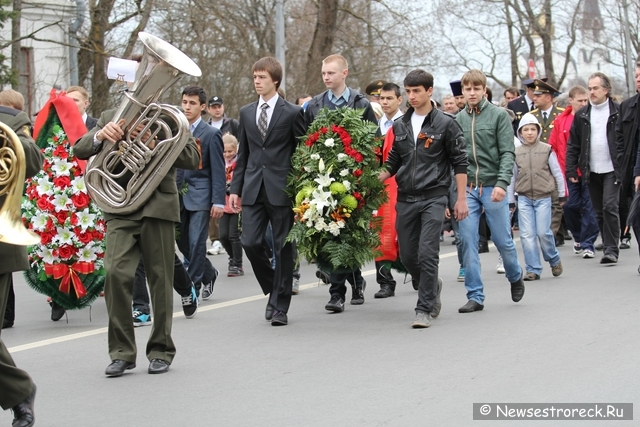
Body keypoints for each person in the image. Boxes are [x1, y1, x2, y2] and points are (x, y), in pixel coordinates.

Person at [74, 96, 200, 376]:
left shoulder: (170, 117)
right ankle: (122, 352)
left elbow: (193, 158)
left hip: (157, 207)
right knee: (115, 274)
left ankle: (161, 350)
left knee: (160, 280)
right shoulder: (111, 113)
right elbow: (79, 148)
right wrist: (99, 135)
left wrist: (161, 145)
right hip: (120, 206)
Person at [379, 69, 468, 328]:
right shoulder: (400, 125)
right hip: (406, 198)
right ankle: (432, 284)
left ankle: (424, 307)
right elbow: (393, 162)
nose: (411, 96)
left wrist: (460, 199)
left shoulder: (446, 123)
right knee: (407, 256)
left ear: (429, 91)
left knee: (428, 253)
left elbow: (460, 163)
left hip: (434, 196)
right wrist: (371, 181)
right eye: (408, 91)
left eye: (416, 91)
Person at [229, 57, 305, 326]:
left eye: (262, 77)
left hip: (282, 189)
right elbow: (244, 153)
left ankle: (280, 306)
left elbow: (301, 153)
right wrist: (235, 189)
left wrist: (301, 190)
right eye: (254, 77)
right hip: (252, 188)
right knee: (250, 242)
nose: (257, 82)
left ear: (275, 80)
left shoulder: (293, 113)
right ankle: (275, 287)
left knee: (283, 247)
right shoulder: (246, 112)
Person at [304, 54, 377, 312]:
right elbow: (307, 139)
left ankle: (349, 285)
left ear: (344, 73)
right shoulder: (314, 104)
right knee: (330, 229)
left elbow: (373, 139)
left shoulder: (361, 103)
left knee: (347, 230)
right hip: (324, 176)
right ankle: (340, 290)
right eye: (324, 73)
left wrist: (367, 175)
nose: (326, 77)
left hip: (353, 175)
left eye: (331, 73)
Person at [455, 69, 525, 313]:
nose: (471, 93)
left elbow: (507, 152)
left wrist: (502, 184)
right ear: (462, 91)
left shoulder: (498, 116)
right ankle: (475, 295)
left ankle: (515, 275)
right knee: (467, 240)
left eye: (476, 88)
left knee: (502, 239)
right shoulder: (458, 120)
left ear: (484, 90)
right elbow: (454, 159)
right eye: (467, 89)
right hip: (468, 188)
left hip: (493, 185)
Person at [0, 102, 42, 427]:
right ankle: (19, 390)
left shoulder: (11, 118)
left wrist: (10, 134)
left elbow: (34, 160)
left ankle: (19, 391)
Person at [566, 72, 621, 265]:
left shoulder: (617, 111)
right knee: (598, 211)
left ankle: (611, 249)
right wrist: (571, 169)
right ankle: (608, 242)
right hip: (591, 170)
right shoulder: (582, 114)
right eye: (589, 88)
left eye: (595, 88)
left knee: (610, 206)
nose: (591, 92)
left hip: (613, 168)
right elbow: (574, 144)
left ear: (606, 90)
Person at [176, 86, 225, 300]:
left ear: (202, 107)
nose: (187, 106)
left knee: (197, 242)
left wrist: (218, 201)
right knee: (183, 243)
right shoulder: (175, 130)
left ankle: (192, 286)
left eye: (192, 103)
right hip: (177, 195)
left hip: (201, 195)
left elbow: (218, 170)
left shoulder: (211, 134)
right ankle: (209, 273)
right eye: (185, 102)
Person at [509, 113, 565, 280]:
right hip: (524, 198)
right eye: (526, 130)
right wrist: (511, 200)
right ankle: (533, 269)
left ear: (538, 131)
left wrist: (562, 194)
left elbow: (557, 173)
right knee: (527, 235)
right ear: (520, 133)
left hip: (543, 198)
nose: (530, 133)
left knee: (543, 232)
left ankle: (553, 258)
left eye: (533, 129)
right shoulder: (516, 152)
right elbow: (512, 177)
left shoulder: (546, 150)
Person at [549, 85, 598, 259]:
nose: (584, 104)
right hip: (568, 171)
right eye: (580, 101)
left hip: (590, 170)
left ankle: (588, 243)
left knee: (589, 207)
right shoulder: (561, 120)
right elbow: (554, 147)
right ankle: (578, 236)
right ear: (571, 101)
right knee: (570, 206)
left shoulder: (593, 116)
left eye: (586, 100)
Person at [373, 82, 403, 299]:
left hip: (404, 185)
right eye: (381, 99)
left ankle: (418, 274)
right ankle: (385, 281)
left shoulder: (407, 124)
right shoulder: (375, 126)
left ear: (399, 100)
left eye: (389, 98)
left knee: (405, 232)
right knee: (380, 232)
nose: (384, 102)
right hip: (381, 186)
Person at [618, 64, 640, 269]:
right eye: (636, 75)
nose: (638, 79)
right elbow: (619, 138)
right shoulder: (627, 106)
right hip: (631, 170)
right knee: (637, 217)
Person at [219, 133, 244, 276]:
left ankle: (237, 264)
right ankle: (232, 256)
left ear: (236, 150)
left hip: (236, 203)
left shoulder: (238, 164)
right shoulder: (221, 163)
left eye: (230, 151)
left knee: (234, 235)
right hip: (223, 203)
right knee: (223, 235)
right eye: (225, 151)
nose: (227, 154)